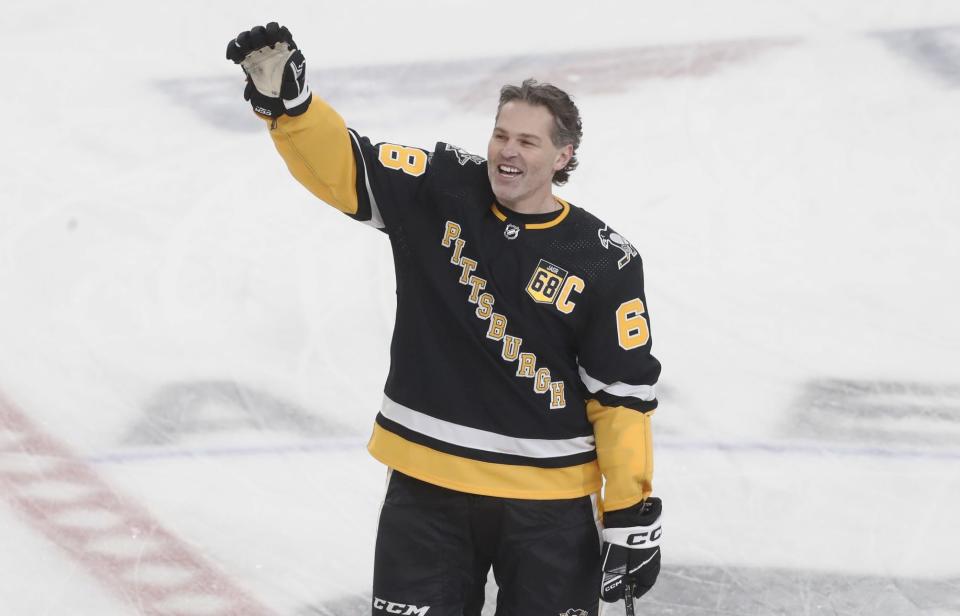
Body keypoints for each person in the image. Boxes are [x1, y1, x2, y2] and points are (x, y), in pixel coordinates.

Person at [226, 23, 663, 616]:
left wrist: (629, 514)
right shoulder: (441, 188)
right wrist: (292, 109)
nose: (508, 150)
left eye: (529, 142)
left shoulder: (604, 260)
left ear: (563, 156)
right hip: (428, 489)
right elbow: (346, 167)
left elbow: (621, 399)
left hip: (549, 508)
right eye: (501, 134)